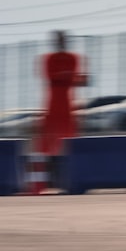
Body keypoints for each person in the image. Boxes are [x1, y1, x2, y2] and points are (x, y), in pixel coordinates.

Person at [36, 31, 87, 185]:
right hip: (52, 105)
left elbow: (75, 77)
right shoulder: (49, 58)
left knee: (70, 141)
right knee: (47, 142)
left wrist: (65, 76)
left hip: (68, 106)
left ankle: (69, 176)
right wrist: (67, 76)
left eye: (62, 39)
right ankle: (45, 179)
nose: (60, 42)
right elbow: (50, 76)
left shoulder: (73, 58)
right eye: (58, 40)